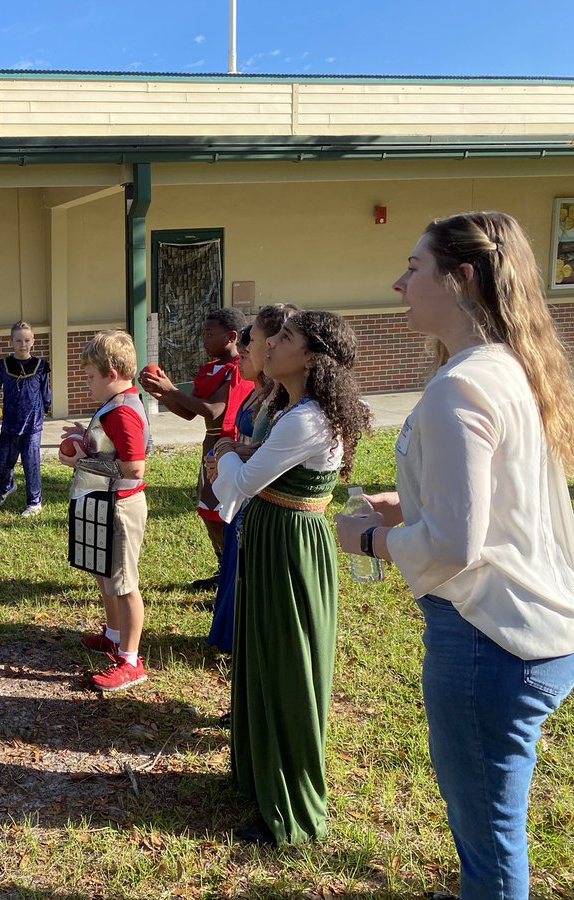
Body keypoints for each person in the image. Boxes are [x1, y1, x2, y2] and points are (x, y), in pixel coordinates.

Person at [334, 211, 574, 898]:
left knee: (491, 842)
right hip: (533, 629)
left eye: (415, 267)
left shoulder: (459, 387)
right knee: (489, 831)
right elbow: (501, 499)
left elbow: (456, 545)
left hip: (488, 641)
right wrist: (409, 505)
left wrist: (370, 540)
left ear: (461, 277)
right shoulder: (507, 369)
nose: (398, 282)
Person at [209, 310, 370, 845]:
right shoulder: (297, 410)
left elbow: (248, 482)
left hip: (289, 547)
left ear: (311, 356)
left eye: (285, 338)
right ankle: (261, 775)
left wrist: (226, 457)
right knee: (265, 654)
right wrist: (239, 456)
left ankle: (290, 803)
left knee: (285, 663)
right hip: (278, 540)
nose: (272, 344)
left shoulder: (307, 419)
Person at [61, 330, 152, 691]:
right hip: (104, 502)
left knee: (124, 582)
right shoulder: (117, 404)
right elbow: (111, 448)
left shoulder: (124, 411)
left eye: (90, 376)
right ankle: (114, 636)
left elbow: (134, 469)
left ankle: (131, 660)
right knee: (104, 573)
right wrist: (88, 437)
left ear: (111, 373)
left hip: (121, 506)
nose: (87, 384)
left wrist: (84, 460)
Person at [205, 303, 297, 654]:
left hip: (261, 503)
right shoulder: (270, 395)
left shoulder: (291, 406)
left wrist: (229, 453)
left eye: (253, 341)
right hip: (244, 493)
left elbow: (266, 458)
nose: (249, 350)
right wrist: (232, 452)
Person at [139, 307, 253, 591]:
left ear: (231, 337)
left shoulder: (237, 369)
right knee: (208, 510)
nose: (203, 339)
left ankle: (236, 574)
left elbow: (214, 410)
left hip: (230, 448)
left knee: (222, 511)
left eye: (209, 333)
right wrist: (162, 393)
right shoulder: (211, 369)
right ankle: (223, 568)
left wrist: (171, 389)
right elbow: (190, 413)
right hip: (211, 446)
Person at [0, 321, 52, 517]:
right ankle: (7, 486)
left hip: (32, 424)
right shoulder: (3, 366)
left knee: (31, 463)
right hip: (10, 424)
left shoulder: (40, 366)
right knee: (2, 461)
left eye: (27, 340)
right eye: (19, 340)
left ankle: (34, 501)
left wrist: (46, 407)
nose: (23, 344)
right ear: (11, 341)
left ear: (33, 342)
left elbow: (45, 392)